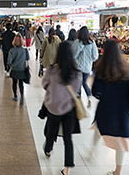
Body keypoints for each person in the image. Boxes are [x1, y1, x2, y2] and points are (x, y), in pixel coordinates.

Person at [91, 39, 129, 175]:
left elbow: (95, 92)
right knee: (121, 141)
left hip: (106, 107)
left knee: (99, 127)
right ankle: (118, 171)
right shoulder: (126, 68)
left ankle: (93, 149)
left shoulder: (100, 68)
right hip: (122, 109)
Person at [42, 42, 82, 175]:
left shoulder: (52, 69)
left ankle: (48, 149)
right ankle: (67, 169)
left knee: (51, 131)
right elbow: (76, 91)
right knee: (67, 138)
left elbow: (44, 84)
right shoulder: (76, 72)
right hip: (69, 108)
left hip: (53, 107)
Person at [71, 26, 99, 107]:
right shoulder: (92, 43)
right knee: (84, 82)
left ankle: (78, 101)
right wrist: (89, 60)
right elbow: (95, 56)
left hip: (78, 67)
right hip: (87, 67)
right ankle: (89, 97)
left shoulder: (77, 42)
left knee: (78, 83)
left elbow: (73, 55)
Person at [7, 34, 29, 107]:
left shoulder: (12, 50)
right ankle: (22, 96)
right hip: (22, 69)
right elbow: (27, 58)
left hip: (14, 69)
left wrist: (11, 64)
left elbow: (9, 61)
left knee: (14, 83)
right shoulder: (24, 50)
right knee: (21, 84)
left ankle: (15, 96)